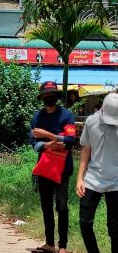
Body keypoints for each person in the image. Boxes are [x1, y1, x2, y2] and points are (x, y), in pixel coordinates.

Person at [30, 81, 76, 253]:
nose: (49, 99)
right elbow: (33, 142)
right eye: (46, 96)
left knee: (62, 206)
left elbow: (71, 140)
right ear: (42, 98)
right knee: (46, 206)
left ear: (57, 97)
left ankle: (62, 246)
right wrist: (50, 144)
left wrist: (47, 136)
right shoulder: (38, 117)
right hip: (44, 169)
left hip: (62, 169)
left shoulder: (67, 115)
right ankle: (49, 243)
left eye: (52, 96)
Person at [76, 93, 118, 253]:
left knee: (115, 228)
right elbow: (86, 150)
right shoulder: (91, 122)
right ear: (102, 109)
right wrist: (80, 178)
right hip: (93, 179)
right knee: (85, 222)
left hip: (116, 182)